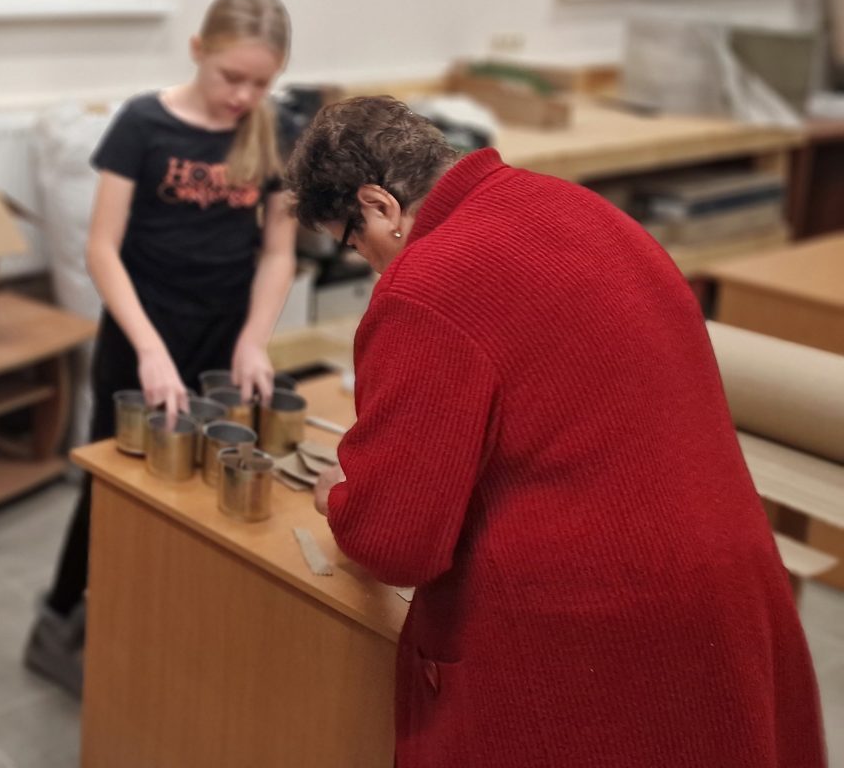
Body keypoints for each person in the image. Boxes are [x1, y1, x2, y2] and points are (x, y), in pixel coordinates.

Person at [290, 96, 824, 768]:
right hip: (727, 578)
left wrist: (342, 496)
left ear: (380, 206)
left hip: (599, 628)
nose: (367, 262)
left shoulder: (426, 284)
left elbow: (396, 544)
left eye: (353, 241)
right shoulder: (572, 205)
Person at [24, 0, 300, 697]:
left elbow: (278, 251)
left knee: (207, 479)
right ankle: (56, 623)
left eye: (261, 83)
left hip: (224, 338)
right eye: (231, 77)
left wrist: (255, 340)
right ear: (198, 50)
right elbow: (102, 249)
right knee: (115, 484)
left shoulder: (271, 130)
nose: (243, 96)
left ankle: (166, 619)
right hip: (141, 335)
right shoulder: (143, 123)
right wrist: (148, 348)